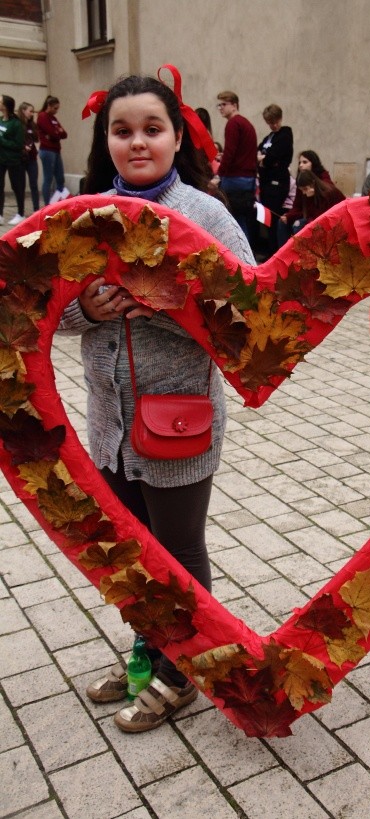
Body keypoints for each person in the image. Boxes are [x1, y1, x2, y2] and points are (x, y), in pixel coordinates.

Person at [58, 69, 254, 733]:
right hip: (109, 423)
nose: (137, 142)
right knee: (131, 553)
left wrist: (157, 304)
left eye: (151, 129)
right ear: (105, 139)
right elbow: (41, 306)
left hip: (177, 424)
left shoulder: (205, 213)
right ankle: (148, 654)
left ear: (176, 137)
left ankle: (183, 673)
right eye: (122, 130)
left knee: (178, 554)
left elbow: (245, 317)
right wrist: (85, 309)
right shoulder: (81, 215)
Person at [213, 90, 257, 240]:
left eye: (223, 104)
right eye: (219, 105)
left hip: (234, 178)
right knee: (243, 220)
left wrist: (219, 175)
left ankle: (239, 256)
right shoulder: (246, 124)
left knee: (233, 221)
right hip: (248, 179)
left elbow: (231, 152)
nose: (221, 108)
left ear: (234, 105)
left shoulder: (233, 123)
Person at [257, 103, 293, 255]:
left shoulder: (285, 134)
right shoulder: (268, 138)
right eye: (270, 123)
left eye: (275, 121)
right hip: (266, 183)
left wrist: (264, 159)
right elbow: (258, 152)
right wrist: (263, 159)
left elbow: (274, 156)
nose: (273, 125)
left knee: (273, 217)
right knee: (266, 220)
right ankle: (268, 249)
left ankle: (275, 252)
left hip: (278, 183)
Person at [279, 169, 345, 236]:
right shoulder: (309, 194)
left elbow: (321, 216)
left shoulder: (327, 193)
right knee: (295, 224)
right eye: (302, 190)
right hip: (316, 220)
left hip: (334, 221)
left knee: (300, 226)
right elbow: (305, 212)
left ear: (313, 183)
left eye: (305, 189)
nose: (304, 192)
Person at [37, 95, 69, 205]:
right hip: (47, 150)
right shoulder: (42, 116)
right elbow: (52, 133)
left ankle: (61, 203)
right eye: (55, 108)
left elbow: (64, 134)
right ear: (49, 106)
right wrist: (56, 132)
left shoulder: (53, 119)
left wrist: (57, 133)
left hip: (55, 150)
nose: (56, 111)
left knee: (60, 177)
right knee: (48, 178)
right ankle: (47, 204)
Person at [0, 94, 25, 226]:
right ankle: (0, 215)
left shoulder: (15, 124)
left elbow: (18, 145)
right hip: (1, 160)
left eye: (0, 101)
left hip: (13, 161)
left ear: (5, 106)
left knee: (17, 187)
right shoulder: (0, 120)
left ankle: (20, 213)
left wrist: (2, 140)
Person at [18, 101, 40, 212]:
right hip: (21, 159)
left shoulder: (32, 124)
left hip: (32, 158)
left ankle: (36, 209)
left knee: (34, 184)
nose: (32, 113)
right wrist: (23, 147)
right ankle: (20, 211)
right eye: (30, 111)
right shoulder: (18, 124)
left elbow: (37, 139)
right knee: (20, 186)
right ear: (23, 111)